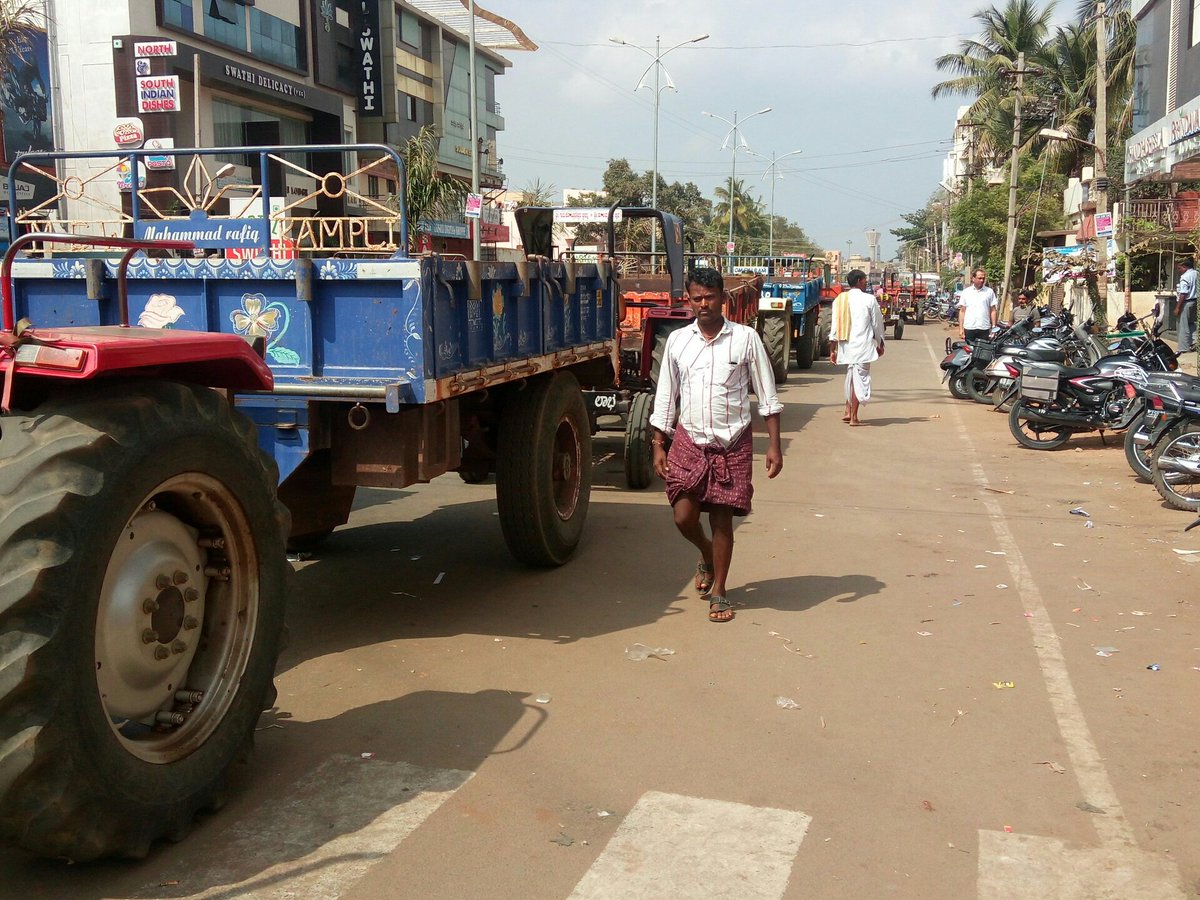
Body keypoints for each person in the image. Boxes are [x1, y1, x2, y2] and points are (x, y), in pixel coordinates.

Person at [649, 267, 783, 624]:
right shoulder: (678, 341)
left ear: (723, 298)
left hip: (732, 441)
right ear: (689, 300)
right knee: (684, 516)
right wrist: (658, 442)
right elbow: (667, 395)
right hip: (689, 439)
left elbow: (767, 395)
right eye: (697, 298)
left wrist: (774, 445)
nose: (704, 304)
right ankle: (706, 554)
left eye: (710, 297)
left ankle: (720, 590)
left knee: (722, 518)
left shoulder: (745, 339)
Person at [828, 269, 884, 426]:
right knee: (860, 379)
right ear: (859, 280)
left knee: (851, 377)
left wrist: (832, 349)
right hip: (863, 347)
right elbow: (877, 324)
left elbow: (834, 328)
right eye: (865, 280)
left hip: (846, 347)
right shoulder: (869, 299)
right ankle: (854, 417)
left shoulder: (840, 299)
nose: (866, 282)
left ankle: (847, 410)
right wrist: (880, 343)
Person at [957, 268, 998, 342]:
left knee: (982, 351)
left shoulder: (989, 292)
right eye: (979, 278)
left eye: (983, 278)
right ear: (973, 279)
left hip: (984, 328)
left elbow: (993, 310)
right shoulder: (966, 292)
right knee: (969, 351)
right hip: (969, 327)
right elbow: (962, 311)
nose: (982, 280)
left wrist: (994, 327)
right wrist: (961, 328)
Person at [1174, 258, 1197, 355]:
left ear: (1185, 267)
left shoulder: (1185, 277)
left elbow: (1183, 293)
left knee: (1183, 325)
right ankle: (1195, 342)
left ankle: (1183, 348)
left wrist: (1178, 307)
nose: (1178, 271)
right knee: (1192, 323)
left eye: (1179, 268)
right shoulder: (1196, 273)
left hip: (1186, 302)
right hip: (1195, 301)